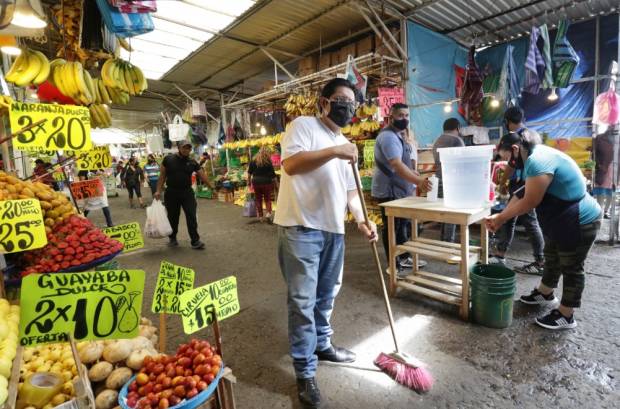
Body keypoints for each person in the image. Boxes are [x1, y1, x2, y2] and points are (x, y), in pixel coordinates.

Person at [275, 78, 377, 409]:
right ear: (324, 103)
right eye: (341, 99)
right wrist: (335, 150)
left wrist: (361, 220)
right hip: (301, 226)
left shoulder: (346, 144)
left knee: (327, 294)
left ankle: (322, 344)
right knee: (302, 301)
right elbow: (290, 165)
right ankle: (305, 372)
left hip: (334, 229)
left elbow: (351, 191)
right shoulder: (302, 126)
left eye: (353, 102)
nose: (348, 106)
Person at [486, 131, 601, 330]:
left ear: (515, 149)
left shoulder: (537, 160)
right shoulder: (535, 156)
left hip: (581, 220)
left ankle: (566, 314)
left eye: (508, 160)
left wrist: (501, 217)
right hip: (562, 220)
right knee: (552, 256)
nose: (510, 165)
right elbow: (521, 193)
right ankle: (545, 292)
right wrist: (501, 216)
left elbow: (531, 201)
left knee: (572, 266)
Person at [371, 103, 431, 273]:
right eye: (400, 116)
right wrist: (419, 181)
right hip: (390, 190)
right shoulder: (388, 137)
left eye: (406, 116)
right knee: (392, 228)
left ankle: (403, 258)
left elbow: (405, 164)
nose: (404, 119)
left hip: (400, 189)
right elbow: (396, 165)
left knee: (402, 226)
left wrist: (416, 176)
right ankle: (393, 264)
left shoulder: (399, 136)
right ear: (391, 117)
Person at [490, 107, 545, 274]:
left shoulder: (521, 138)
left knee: (529, 220)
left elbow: (514, 165)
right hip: (518, 184)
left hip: (527, 183)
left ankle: (540, 261)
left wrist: (503, 183)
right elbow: (511, 165)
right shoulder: (530, 134)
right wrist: (503, 182)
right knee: (508, 219)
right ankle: (500, 254)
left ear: (507, 121)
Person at [155, 140, 214, 250]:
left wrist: (212, 187)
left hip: (187, 193)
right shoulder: (168, 159)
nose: (187, 150)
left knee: (191, 215)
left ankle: (195, 241)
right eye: (184, 148)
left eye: (188, 148)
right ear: (179, 148)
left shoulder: (192, 162)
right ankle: (172, 238)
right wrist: (158, 190)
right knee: (173, 216)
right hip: (171, 192)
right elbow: (162, 176)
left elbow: (202, 175)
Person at [432, 118, 465, 243]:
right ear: (457, 128)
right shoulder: (457, 140)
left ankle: (444, 242)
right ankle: (448, 243)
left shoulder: (437, 141)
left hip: (439, 178)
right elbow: (463, 162)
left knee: (444, 212)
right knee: (452, 212)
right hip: (453, 180)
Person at [248, 146, 278, 222]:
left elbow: (249, 173)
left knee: (258, 199)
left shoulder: (253, 160)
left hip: (256, 182)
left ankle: (260, 216)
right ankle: (268, 214)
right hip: (266, 182)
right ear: (267, 153)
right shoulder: (268, 161)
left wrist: (248, 182)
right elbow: (273, 175)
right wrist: (276, 184)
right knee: (267, 199)